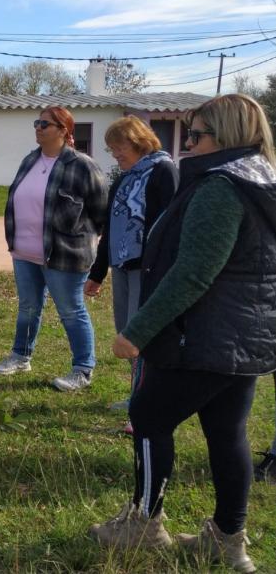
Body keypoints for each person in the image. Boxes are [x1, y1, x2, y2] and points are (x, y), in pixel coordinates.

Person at [89, 94, 276, 573]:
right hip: (246, 334)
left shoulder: (222, 187)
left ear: (226, 137)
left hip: (205, 333)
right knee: (226, 431)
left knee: (148, 417)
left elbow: (194, 273)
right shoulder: (263, 179)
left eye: (195, 135)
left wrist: (138, 329)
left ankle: (144, 524)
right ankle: (227, 539)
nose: (186, 144)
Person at [0, 106, 107, 391]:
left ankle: (83, 369)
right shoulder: (30, 160)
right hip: (25, 252)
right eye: (37, 123)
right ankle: (21, 356)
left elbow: (100, 213)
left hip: (64, 255)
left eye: (45, 124)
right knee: (28, 308)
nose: (39, 128)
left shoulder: (82, 165)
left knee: (71, 310)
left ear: (64, 130)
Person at [84, 117, 178, 429]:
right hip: (123, 266)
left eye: (118, 147)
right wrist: (98, 273)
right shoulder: (125, 177)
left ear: (137, 140)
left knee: (143, 335)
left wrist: (160, 270)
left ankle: (148, 402)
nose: (115, 154)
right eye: (111, 149)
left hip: (149, 269)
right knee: (127, 331)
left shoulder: (163, 171)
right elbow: (111, 227)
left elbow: (169, 226)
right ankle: (139, 393)